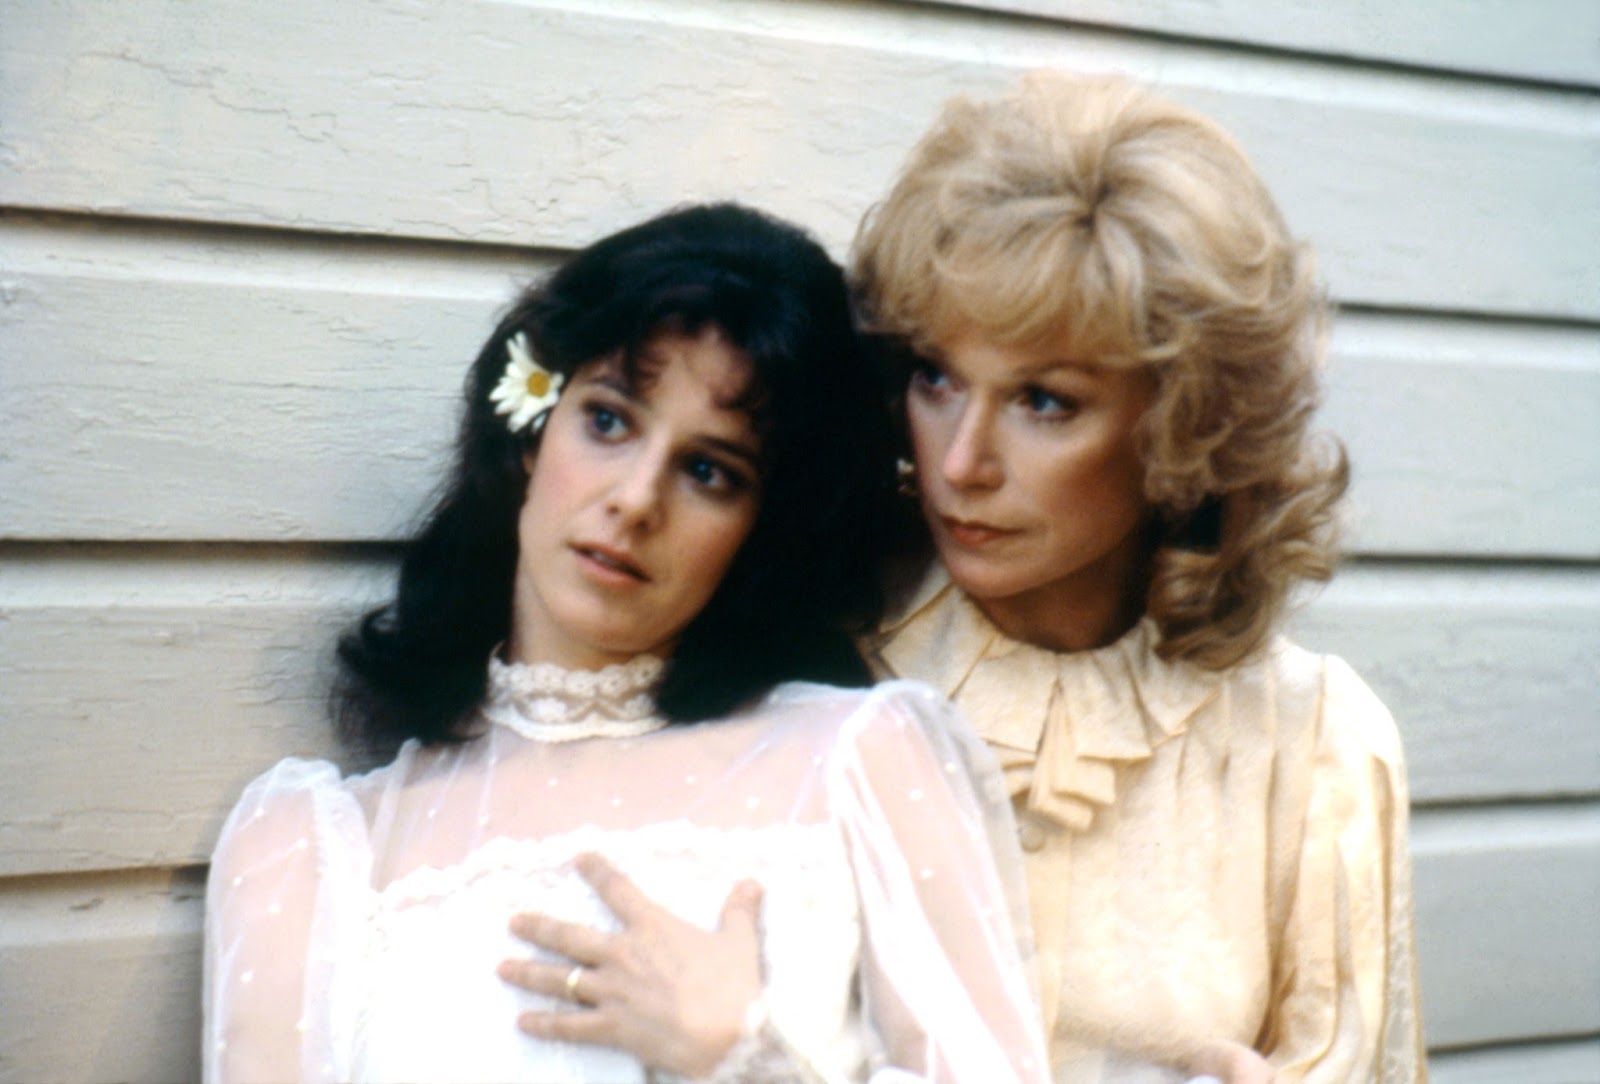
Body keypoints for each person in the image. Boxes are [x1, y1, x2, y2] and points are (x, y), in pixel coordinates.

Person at [505, 75, 1426, 1083]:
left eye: (1042, 400)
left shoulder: (1313, 746)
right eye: (936, 377)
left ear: (1180, 428)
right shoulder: (811, 650)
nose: (959, 463)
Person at [202, 203, 1051, 1084]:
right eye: (608, 421)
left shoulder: (863, 763)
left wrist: (742, 1060)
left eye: (709, 471)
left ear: (762, 530)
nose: (637, 499)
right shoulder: (313, 851)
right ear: (531, 429)